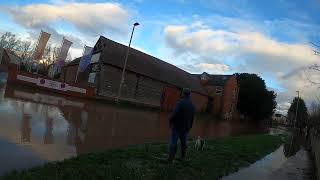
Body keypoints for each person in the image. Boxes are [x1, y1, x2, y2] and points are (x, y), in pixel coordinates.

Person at [168, 88, 195, 162]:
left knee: (174, 142)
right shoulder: (192, 105)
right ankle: (183, 157)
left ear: (183, 93)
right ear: (189, 94)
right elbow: (192, 118)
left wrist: (170, 120)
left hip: (177, 127)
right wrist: (190, 127)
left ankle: (171, 158)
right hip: (186, 128)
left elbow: (174, 113)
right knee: (184, 143)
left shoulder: (180, 102)